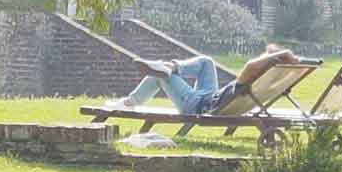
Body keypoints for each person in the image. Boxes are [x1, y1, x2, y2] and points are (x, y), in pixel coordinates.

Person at [107, 45, 302, 115]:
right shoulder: (263, 84)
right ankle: (170, 67)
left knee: (161, 75)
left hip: (196, 105)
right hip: (209, 96)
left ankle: (130, 102)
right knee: (206, 62)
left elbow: (251, 65)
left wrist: (285, 53)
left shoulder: (249, 80)